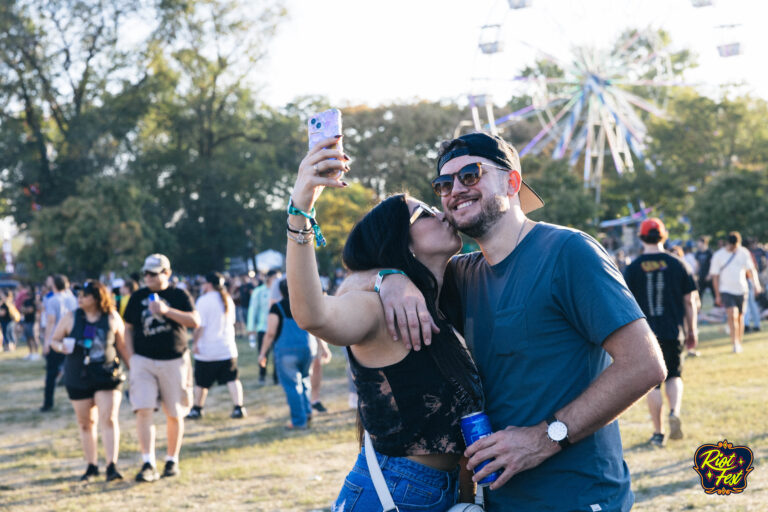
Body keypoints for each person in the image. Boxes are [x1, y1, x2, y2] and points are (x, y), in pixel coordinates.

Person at [348, 132, 667, 511]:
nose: (454, 191)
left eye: (471, 175)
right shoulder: (461, 275)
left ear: (512, 182)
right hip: (498, 502)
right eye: (443, 184)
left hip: (577, 498)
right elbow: (340, 291)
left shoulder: (569, 252)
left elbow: (645, 364)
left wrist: (545, 437)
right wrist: (387, 278)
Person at [284, 136, 485, 511]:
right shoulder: (379, 310)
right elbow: (314, 315)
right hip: (393, 491)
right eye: (422, 213)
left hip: (439, 491)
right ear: (399, 242)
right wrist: (302, 206)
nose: (441, 211)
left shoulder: (440, 300)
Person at [123, 253, 200, 482]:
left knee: (174, 413)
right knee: (143, 409)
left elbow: (194, 321)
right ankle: (148, 462)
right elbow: (128, 328)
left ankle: (171, 460)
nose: (147, 277)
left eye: (153, 273)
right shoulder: (137, 296)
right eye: (145, 273)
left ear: (167, 273)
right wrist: (131, 357)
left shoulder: (178, 294)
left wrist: (166, 311)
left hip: (174, 360)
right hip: (143, 361)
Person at [623, 218, 698, 447]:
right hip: (673, 331)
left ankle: (658, 432)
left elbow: (625, 304)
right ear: (663, 236)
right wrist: (692, 329)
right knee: (674, 374)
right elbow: (690, 301)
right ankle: (674, 411)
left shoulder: (633, 268)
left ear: (641, 237)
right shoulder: (678, 264)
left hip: (644, 334)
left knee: (653, 383)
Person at [49, 280, 131, 481]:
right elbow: (54, 340)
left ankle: (112, 465)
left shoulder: (111, 317)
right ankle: (91, 465)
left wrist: (134, 370)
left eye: (84, 295)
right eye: (78, 295)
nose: (80, 299)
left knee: (109, 418)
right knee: (86, 423)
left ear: (96, 297)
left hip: (107, 375)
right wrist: (61, 347)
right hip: (78, 376)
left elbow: (122, 347)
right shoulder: (71, 317)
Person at [258, 279, 317, 430]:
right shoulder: (305, 306)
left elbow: (270, 333)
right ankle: (308, 412)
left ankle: (299, 421)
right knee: (305, 381)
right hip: (307, 348)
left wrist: (263, 353)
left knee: (292, 386)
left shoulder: (277, 308)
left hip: (286, 351)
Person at [187, 272, 246, 420]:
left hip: (208, 349)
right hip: (226, 347)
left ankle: (197, 408)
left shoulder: (204, 300)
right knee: (232, 379)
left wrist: (195, 343)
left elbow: (200, 326)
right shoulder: (227, 299)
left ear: (209, 284)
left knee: (201, 382)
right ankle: (239, 407)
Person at [709, 231, 761, 353]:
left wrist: (756, 285)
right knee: (731, 314)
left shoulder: (743, 252)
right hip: (726, 290)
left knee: (740, 317)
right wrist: (717, 295)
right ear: (729, 244)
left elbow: (751, 270)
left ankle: (739, 340)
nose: (735, 249)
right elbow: (715, 276)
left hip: (742, 289)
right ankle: (735, 343)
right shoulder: (719, 255)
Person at [41, 274, 78, 412]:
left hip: (57, 339)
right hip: (71, 338)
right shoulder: (73, 299)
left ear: (54, 286)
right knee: (72, 370)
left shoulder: (52, 300)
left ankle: (48, 403)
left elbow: (51, 322)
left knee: (51, 373)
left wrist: (47, 342)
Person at [247, 269, 281, 384]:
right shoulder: (259, 291)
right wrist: (251, 328)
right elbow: (253, 310)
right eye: (275, 278)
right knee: (263, 353)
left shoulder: (280, 291)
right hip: (263, 327)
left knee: (277, 354)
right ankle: (262, 375)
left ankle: (277, 377)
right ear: (269, 278)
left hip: (277, 327)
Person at [20, 285, 40, 360]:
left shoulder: (34, 299)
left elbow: (31, 309)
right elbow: (22, 309)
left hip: (33, 321)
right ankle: (31, 353)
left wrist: (26, 310)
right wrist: (26, 310)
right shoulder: (25, 300)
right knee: (28, 338)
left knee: (34, 337)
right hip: (26, 320)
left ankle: (37, 353)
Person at [694, 236, 714, 302]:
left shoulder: (709, 252)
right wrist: (695, 274)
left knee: (713, 292)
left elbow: (712, 264)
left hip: (708, 276)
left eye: (699, 242)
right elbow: (697, 265)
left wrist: (710, 274)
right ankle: (699, 307)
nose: (698, 244)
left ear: (703, 243)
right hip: (701, 275)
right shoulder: (698, 253)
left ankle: (717, 306)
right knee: (700, 292)